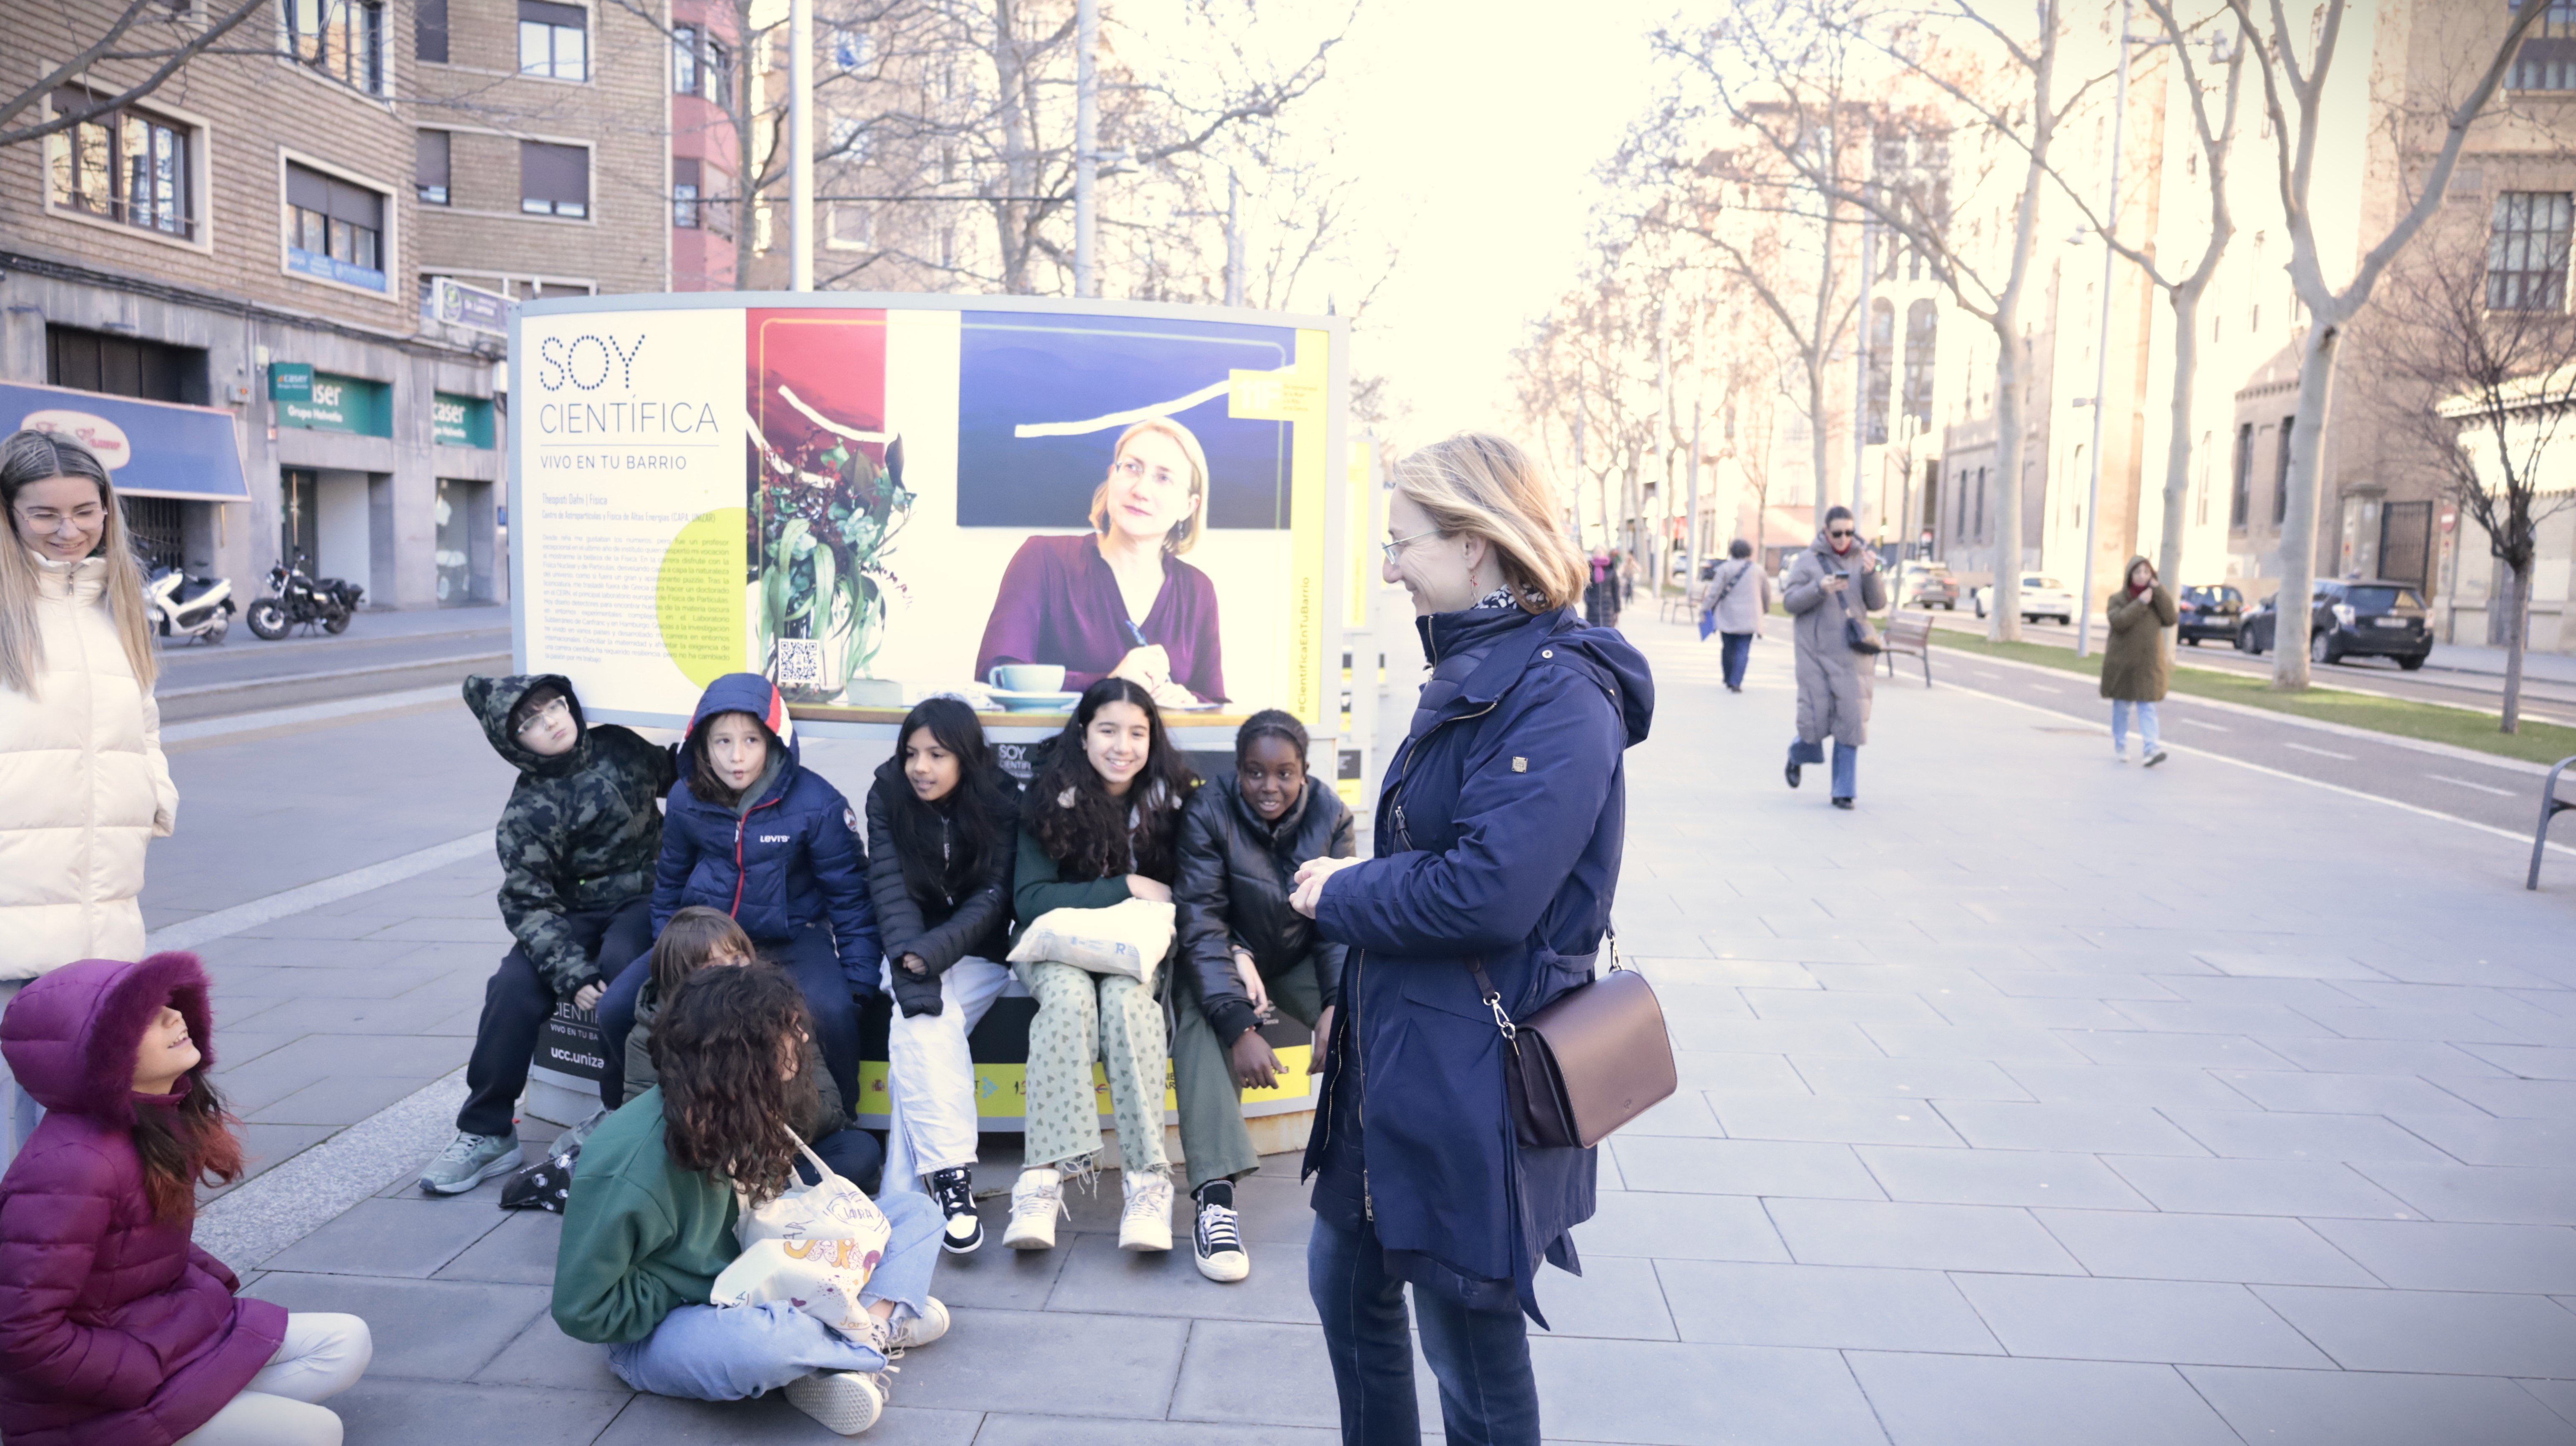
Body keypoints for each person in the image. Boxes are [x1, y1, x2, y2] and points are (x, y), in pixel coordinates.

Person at [1288, 432, 1651, 1446]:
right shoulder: (1480, 665)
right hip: (1400, 1053)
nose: (1389, 569)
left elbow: (1486, 893)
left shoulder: (1560, 691)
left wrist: (1343, 890)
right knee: (1343, 1281)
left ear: (1475, 542)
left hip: (1470, 1075)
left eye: (1401, 543)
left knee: (1468, 1352)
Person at [552, 962, 948, 1436]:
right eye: (789, 1030)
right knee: (770, 1343)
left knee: (915, 1213)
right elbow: (584, 1310)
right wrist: (693, 1286)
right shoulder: (630, 1163)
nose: (803, 1038)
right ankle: (872, 1328)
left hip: (765, 1278)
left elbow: (764, 1222)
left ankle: (853, 1342)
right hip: (672, 1325)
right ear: (742, 1050)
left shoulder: (741, 1103)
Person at [0, 953, 373, 1445]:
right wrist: (137, 1374)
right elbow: (21, 1332)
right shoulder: (72, 1168)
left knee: (346, 1342)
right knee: (317, 1432)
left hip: (167, 1339)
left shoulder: (154, 1122)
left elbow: (140, 1245)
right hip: (94, 1397)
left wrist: (210, 1289)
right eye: (146, 1017)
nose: (175, 1016)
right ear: (98, 1055)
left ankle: (202, 1413)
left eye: (170, 1004)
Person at [422, 674, 675, 1195]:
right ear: (513, 743)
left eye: (555, 706)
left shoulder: (619, 747)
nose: (552, 723)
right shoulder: (527, 809)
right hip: (569, 913)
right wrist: (570, 972)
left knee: (624, 964)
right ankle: (487, 1130)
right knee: (511, 987)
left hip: (642, 897)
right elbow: (526, 900)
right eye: (531, 723)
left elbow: (675, 772)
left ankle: (617, 1110)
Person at [0, 431, 178, 1168]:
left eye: (84, 511)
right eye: (44, 513)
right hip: (13, 903)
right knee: (13, 1117)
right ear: (10, 513)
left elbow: (144, 721)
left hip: (102, 900)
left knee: (79, 1120)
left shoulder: (117, 604)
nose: (68, 530)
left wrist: (154, 794)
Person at [598, 673, 881, 1135]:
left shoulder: (818, 804)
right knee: (615, 1008)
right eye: (722, 741)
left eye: (751, 740)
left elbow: (850, 899)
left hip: (791, 938)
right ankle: (623, 1119)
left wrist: (860, 983)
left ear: (773, 741)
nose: (736, 756)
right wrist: (670, 951)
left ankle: (840, 1123)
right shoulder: (687, 797)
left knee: (832, 1014)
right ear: (701, 744)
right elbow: (669, 883)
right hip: (706, 937)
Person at [1003, 677, 1197, 1254]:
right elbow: (1030, 900)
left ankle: (1148, 1183)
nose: (1123, 746)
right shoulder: (1049, 796)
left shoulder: (1175, 800)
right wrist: (1127, 886)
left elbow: (1196, 890)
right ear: (1083, 734)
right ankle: (1041, 1180)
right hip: (1054, 947)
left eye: (1137, 733)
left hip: (1133, 949)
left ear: (1152, 738)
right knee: (1068, 1000)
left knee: (1127, 1002)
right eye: (1109, 730)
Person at [1171, 708, 1350, 1283]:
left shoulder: (1331, 814)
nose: (1269, 786)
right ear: (1237, 769)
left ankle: (1371, 1181)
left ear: (1304, 772)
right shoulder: (1207, 809)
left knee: (1368, 1016)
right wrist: (1239, 1026)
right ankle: (1215, 1201)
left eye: (1284, 774)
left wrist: (1336, 1004)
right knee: (1203, 1021)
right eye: (1255, 772)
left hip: (1295, 957)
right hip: (1225, 954)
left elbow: (1336, 925)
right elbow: (1201, 923)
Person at [863, 697, 1018, 1252]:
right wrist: (917, 961)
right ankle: (951, 1181)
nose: (920, 767)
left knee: (921, 1031)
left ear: (965, 757)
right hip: (905, 945)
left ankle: (903, 1196)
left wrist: (935, 952)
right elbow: (890, 890)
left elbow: (994, 897)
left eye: (936, 754)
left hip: (976, 951)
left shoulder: (1001, 799)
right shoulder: (886, 794)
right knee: (927, 1023)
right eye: (911, 753)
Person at [621, 906, 883, 1190]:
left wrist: (771, 1084)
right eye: (713, 967)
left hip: (779, 1151)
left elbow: (829, 1111)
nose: (734, 972)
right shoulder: (647, 1035)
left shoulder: (782, 1013)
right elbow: (644, 1135)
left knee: (860, 1148)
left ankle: (768, 1200)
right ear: (682, 978)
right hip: (711, 1166)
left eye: (738, 958)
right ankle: (759, 1203)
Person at [975, 417, 1225, 708]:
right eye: (1132, 468)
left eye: (1163, 478)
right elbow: (996, 674)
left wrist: (1188, 700)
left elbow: (1215, 704)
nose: (1140, 490)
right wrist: (1110, 684)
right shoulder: (1043, 558)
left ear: (1189, 506)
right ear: (1111, 476)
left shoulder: (1198, 590)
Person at [1782, 506, 1886, 810]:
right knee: (1815, 722)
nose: (1843, 539)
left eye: (1849, 533)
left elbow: (1877, 604)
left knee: (1851, 720)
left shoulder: (1863, 559)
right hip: (1815, 654)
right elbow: (1790, 602)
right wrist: (1819, 588)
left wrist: (1871, 575)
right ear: (1826, 532)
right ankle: (1797, 754)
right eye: (1837, 533)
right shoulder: (1807, 561)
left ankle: (1844, 791)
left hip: (1853, 654)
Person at [2103, 555, 2177, 767]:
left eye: (2147, 572)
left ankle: (2151, 749)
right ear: (2130, 576)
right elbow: (2119, 622)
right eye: (2138, 572)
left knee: (2148, 706)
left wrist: (2159, 591)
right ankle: (2120, 745)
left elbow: (2171, 619)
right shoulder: (2118, 599)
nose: (2142, 576)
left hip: (2148, 664)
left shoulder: (2156, 600)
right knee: (2122, 707)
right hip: (2123, 663)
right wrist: (2140, 603)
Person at [1702, 538, 1771, 693]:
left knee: (1728, 648)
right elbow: (1766, 593)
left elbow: (1714, 593)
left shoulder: (1724, 569)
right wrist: (1765, 610)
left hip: (1728, 615)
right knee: (1743, 649)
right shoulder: (1758, 570)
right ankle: (1736, 681)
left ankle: (1728, 678)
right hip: (1750, 617)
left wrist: (1705, 609)